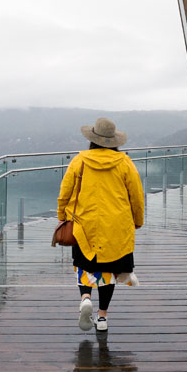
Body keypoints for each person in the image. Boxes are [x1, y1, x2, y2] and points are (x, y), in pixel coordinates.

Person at [57, 117, 145, 332]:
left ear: (92, 139)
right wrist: (138, 220)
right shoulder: (124, 162)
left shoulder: (80, 160)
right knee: (107, 271)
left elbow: (65, 191)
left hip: (83, 223)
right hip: (116, 225)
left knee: (85, 264)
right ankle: (103, 318)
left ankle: (86, 298)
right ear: (114, 141)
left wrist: (62, 214)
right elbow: (136, 196)